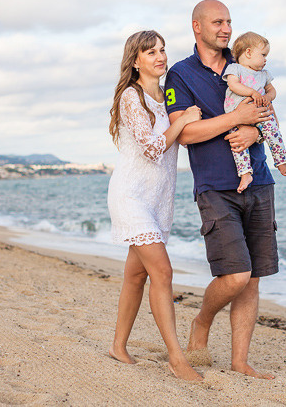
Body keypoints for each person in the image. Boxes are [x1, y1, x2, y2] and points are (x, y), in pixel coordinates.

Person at [164, 0, 278, 379]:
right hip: (215, 185)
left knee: (254, 276)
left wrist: (255, 129)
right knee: (235, 276)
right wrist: (236, 118)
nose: (226, 28)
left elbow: (268, 112)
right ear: (197, 26)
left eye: (229, 21)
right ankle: (202, 320)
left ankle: (240, 361)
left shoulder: (246, 61)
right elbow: (185, 133)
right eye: (218, 22)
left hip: (259, 179)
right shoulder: (180, 75)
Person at [107, 29, 203, 382]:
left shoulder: (168, 95)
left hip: (159, 199)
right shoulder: (131, 98)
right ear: (135, 60)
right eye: (151, 52)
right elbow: (151, 148)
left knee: (135, 276)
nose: (160, 57)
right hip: (131, 195)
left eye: (162, 50)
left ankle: (118, 346)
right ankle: (177, 359)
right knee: (162, 273)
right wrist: (181, 122)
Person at [223, 31, 286, 193]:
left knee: (273, 131)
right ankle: (245, 173)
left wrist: (267, 96)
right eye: (263, 54)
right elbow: (233, 85)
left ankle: (281, 160)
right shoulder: (235, 69)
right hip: (236, 114)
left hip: (260, 112)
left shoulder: (264, 74)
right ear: (248, 52)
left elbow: (272, 90)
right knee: (238, 145)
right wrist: (252, 93)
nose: (265, 59)